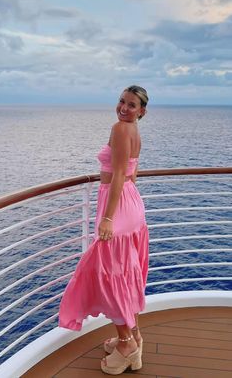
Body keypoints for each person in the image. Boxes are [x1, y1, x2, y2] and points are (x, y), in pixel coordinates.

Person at [59, 85, 149, 375]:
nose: (124, 107)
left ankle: (126, 345)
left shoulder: (120, 129)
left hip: (117, 205)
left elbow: (120, 174)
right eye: (122, 101)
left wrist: (108, 218)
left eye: (131, 104)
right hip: (130, 202)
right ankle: (134, 337)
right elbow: (132, 172)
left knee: (111, 277)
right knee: (124, 273)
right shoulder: (134, 131)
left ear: (141, 111)